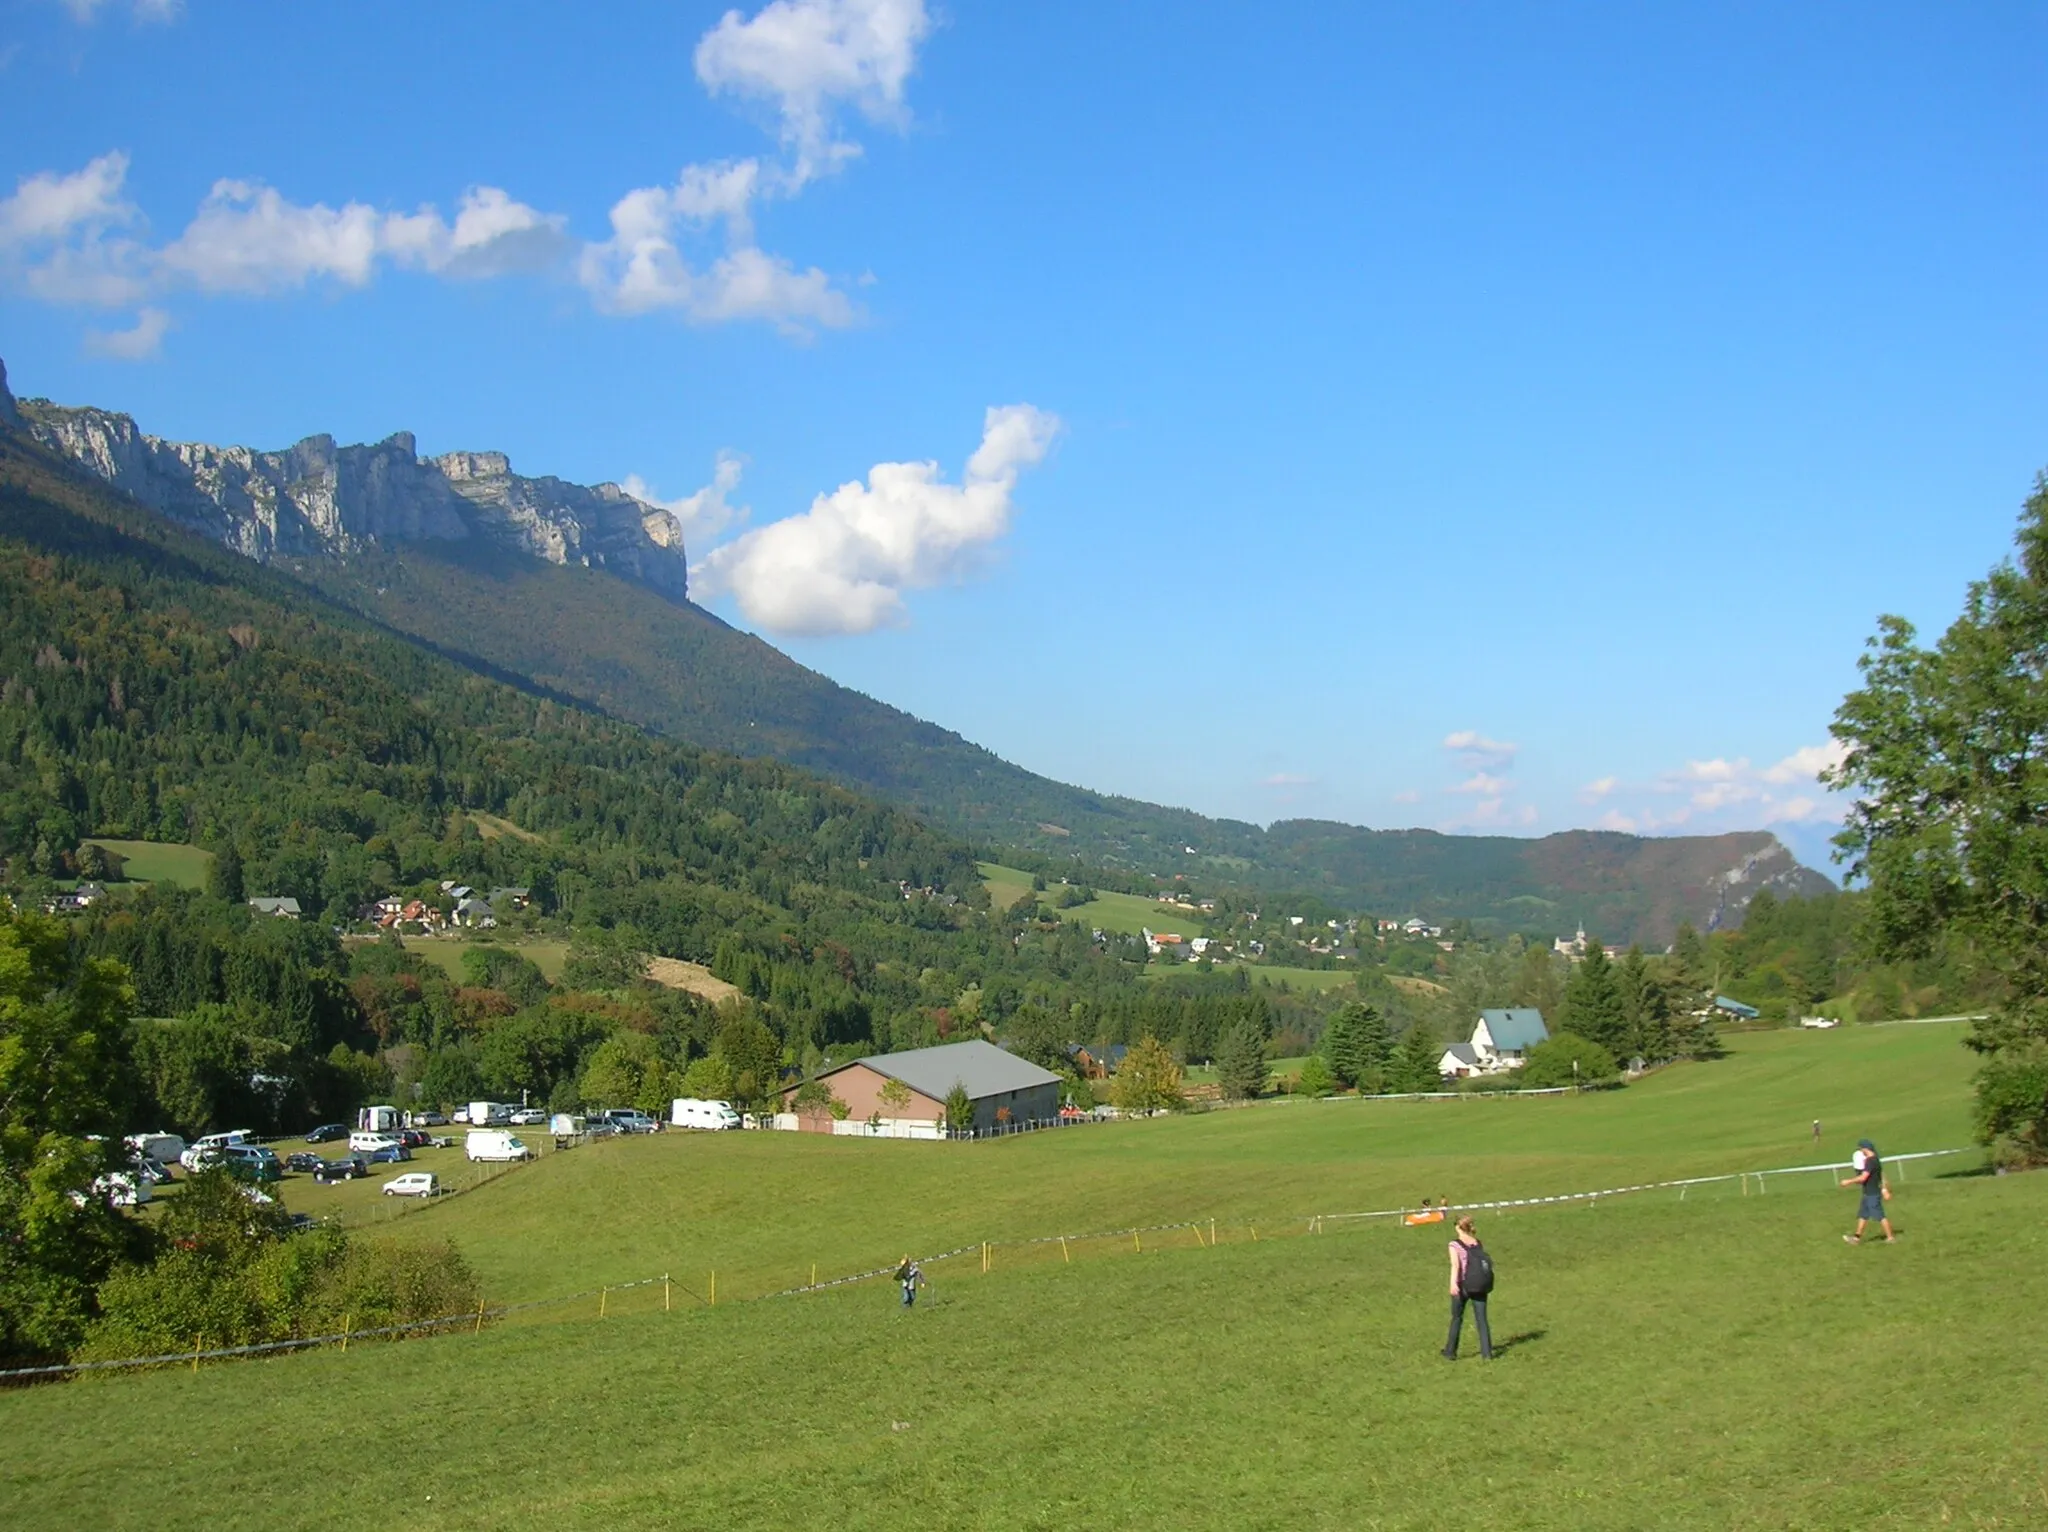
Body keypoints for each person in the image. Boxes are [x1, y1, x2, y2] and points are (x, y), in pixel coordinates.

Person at [1442, 1216, 1494, 1360]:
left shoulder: (1454, 1244)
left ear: (1458, 1227)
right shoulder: (1477, 1243)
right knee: (1482, 1320)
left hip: (1463, 1285)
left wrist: (1453, 1284)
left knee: (1457, 1318)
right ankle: (1487, 1353)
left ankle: (1450, 1351)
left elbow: (1456, 1265)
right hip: (1479, 1284)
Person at [1840, 1138, 1896, 1244]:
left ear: (1865, 1149)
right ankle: (1856, 1238)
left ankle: (1890, 1237)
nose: (1861, 1152)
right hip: (1867, 1193)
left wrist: (1848, 1181)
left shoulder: (1870, 1161)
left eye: (1861, 1149)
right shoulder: (1874, 1160)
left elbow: (1863, 1177)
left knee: (1880, 1216)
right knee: (1863, 1215)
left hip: (1872, 1193)